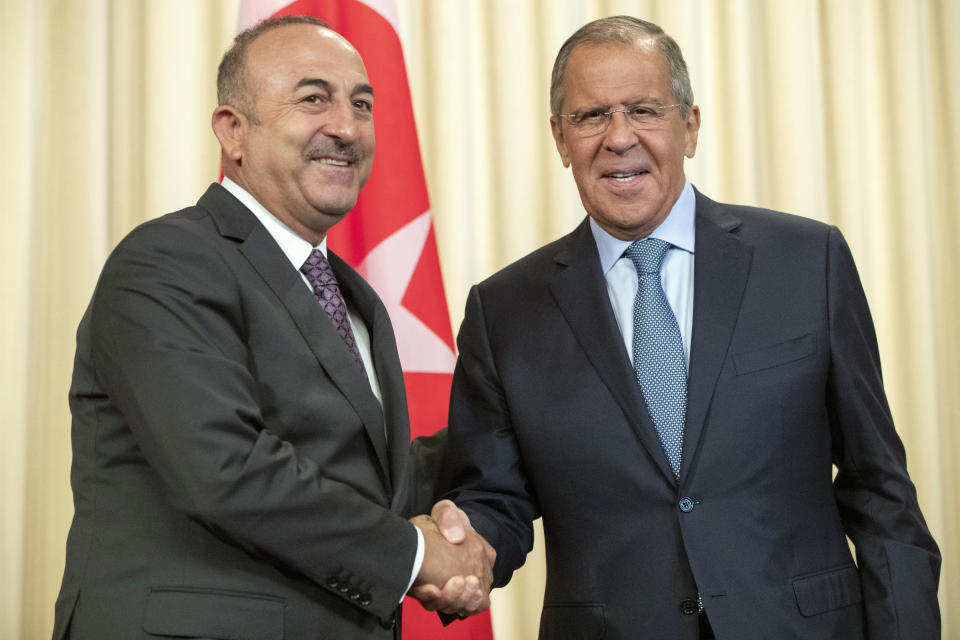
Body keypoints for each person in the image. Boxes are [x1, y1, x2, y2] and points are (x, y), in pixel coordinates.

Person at [440, 15, 940, 639]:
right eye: (591, 116)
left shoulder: (807, 261)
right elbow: (495, 498)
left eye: (644, 110)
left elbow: (879, 487)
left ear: (690, 126)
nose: (619, 138)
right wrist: (464, 552)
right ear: (560, 139)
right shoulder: (504, 309)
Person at [53, 15, 492, 640]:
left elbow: (372, 484)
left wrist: (510, 423)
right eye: (314, 97)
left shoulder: (352, 296)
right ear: (233, 131)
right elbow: (226, 469)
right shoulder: (167, 260)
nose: (345, 126)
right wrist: (417, 556)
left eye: (361, 103)